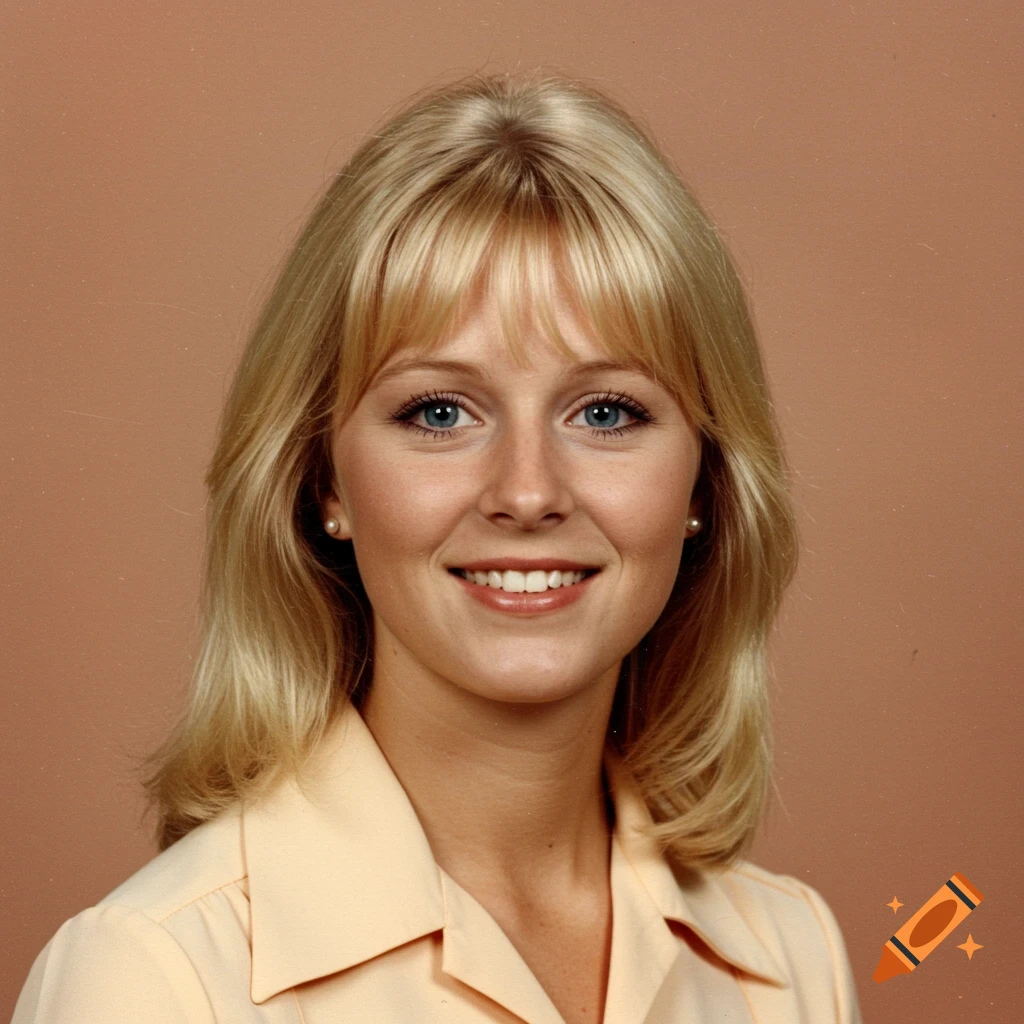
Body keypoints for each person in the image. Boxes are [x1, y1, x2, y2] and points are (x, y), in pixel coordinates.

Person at [12, 70, 862, 1023]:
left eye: (607, 411)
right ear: (323, 479)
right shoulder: (155, 979)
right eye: (441, 411)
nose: (529, 492)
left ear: (705, 481)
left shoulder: (790, 962)